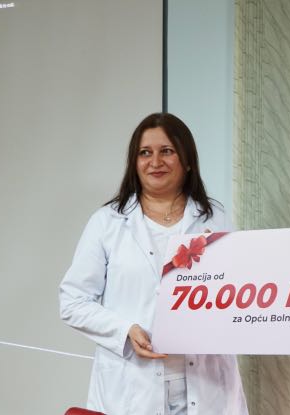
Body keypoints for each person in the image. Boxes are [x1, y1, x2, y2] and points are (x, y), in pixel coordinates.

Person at [60, 113, 248, 415]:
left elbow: (245, 288)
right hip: (132, 388)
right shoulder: (107, 222)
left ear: (187, 160)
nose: (155, 161)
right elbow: (73, 301)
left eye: (167, 151)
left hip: (207, 386)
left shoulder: (215, 218)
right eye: (145, 153)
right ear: (134, 163)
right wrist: (125, 330)